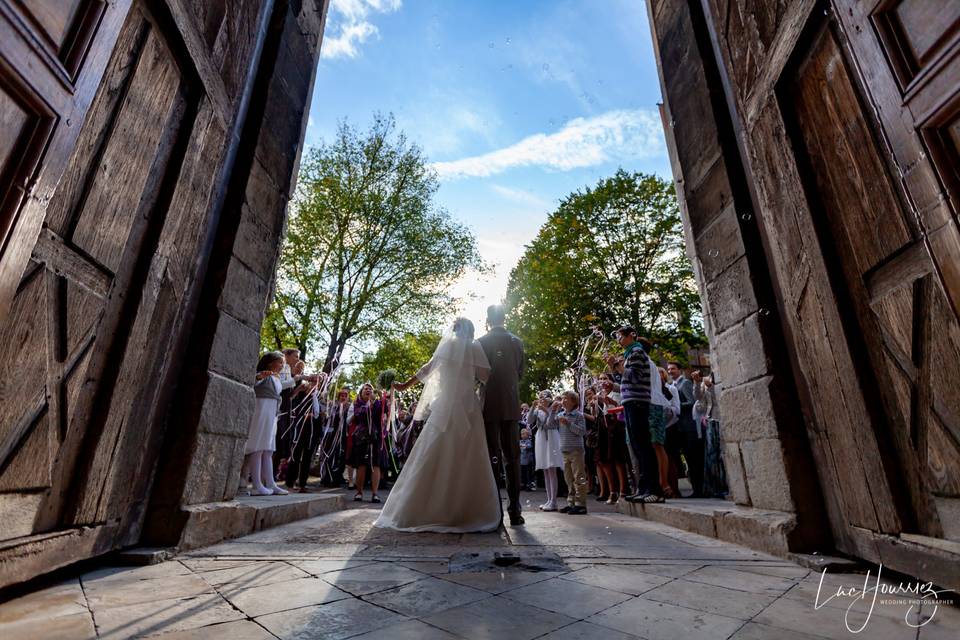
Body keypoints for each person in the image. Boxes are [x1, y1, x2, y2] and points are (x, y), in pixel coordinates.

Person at [374, 318, 501, 532]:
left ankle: (419, 509)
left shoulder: (446, 346)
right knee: (468, 455)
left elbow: (427, 369)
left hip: (444, 407)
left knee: (431, 452)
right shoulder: (474, 346)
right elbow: (485, 376)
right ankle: (466, 509)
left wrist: (404, 385)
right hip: (468, 407)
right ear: (470, 331)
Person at [477, 304, 527, 526]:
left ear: (488, 319)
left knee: (492, 457)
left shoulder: (481, 342)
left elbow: (478, 375)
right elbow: (520, 373)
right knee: (513, 458)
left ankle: (494, 511)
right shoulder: (517, 342)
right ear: (504, 318)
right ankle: (515, 511)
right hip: (511, 404)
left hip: (490, 406)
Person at [608, 327, 662, 503]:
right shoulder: (629, 355)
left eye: (620, 336)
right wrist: (614, 377)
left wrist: (618, 366)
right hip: (631, 401)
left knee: (644, 445)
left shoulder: (637, 352)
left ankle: (655, 490)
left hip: (638, 402)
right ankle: (643, 488)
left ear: (631, 335)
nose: (618, 340)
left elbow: (635, 377)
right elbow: (625, 381)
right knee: (638, 447)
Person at [242, 352, 289, 496]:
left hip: (272, 413)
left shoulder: (276, 378)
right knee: (258, 447)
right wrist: (259, 376)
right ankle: (256, 484)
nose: (282, 366)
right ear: (270, 363)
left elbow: (285, 386)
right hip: (261, 411)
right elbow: (252, 380)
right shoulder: (262, 375)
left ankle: (270, 483)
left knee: (268, 450)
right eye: (280, 362)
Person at [667, 361, 704, 497]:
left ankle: (699, 490)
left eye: (673, 369)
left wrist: (676, 406)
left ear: (679, 370)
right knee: (688, 459)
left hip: (690, 427)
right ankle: (696, 489)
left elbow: (692, 402)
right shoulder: (672, 386)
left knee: (694, 459)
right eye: (669, 369)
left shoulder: (685, 383)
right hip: (680, 428)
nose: (670, 371)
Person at [347, 383, 389, 503]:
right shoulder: (357, 404)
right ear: (361, 392)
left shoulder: (377, 403)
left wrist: (382, 397)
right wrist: (368, 405)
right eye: (365, 389)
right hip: (361, 437)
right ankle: (359, 492)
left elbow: (385, 409)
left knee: (375, 465)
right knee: (361, 465)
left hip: (376, 437)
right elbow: (359, 414)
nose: (368, 390)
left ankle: (375, 494)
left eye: (370, 389)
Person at [596, 373, 629, 504]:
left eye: (605, 378)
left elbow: (620, 411)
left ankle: (623, 491)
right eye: (600, 379)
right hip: (604, 427)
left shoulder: (617, 393)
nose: (603, 381)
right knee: (606, 459)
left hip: (616, 426)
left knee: (618, 459)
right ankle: (612, 491)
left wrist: (610, 403)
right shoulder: (600, 396)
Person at [555, 390, 588, 515]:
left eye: (566, 399)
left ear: (574, 402)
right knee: (568, 479)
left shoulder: (579, 416)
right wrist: (553, 410)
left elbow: (582, 432)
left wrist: (568, 424)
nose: (563, 401)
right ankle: (571, 502)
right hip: (564, 451)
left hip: (576, 451)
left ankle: (581, 504)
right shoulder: (560, 414)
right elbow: (549, 424)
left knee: (578, 477)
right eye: (562, 398)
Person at [530, 393, 562, 510]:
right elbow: (529, 421)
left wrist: (547, 410)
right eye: (540, 398)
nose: (541, 400)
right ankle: (548, 500)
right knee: (545, 469)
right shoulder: (538, 410)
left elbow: (551, 424)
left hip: (551, 437)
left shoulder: (555, 409)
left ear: (549, 400)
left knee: (552, 468)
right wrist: (533, 407)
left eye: (544, 398)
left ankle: (554, 501)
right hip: (541, 437)